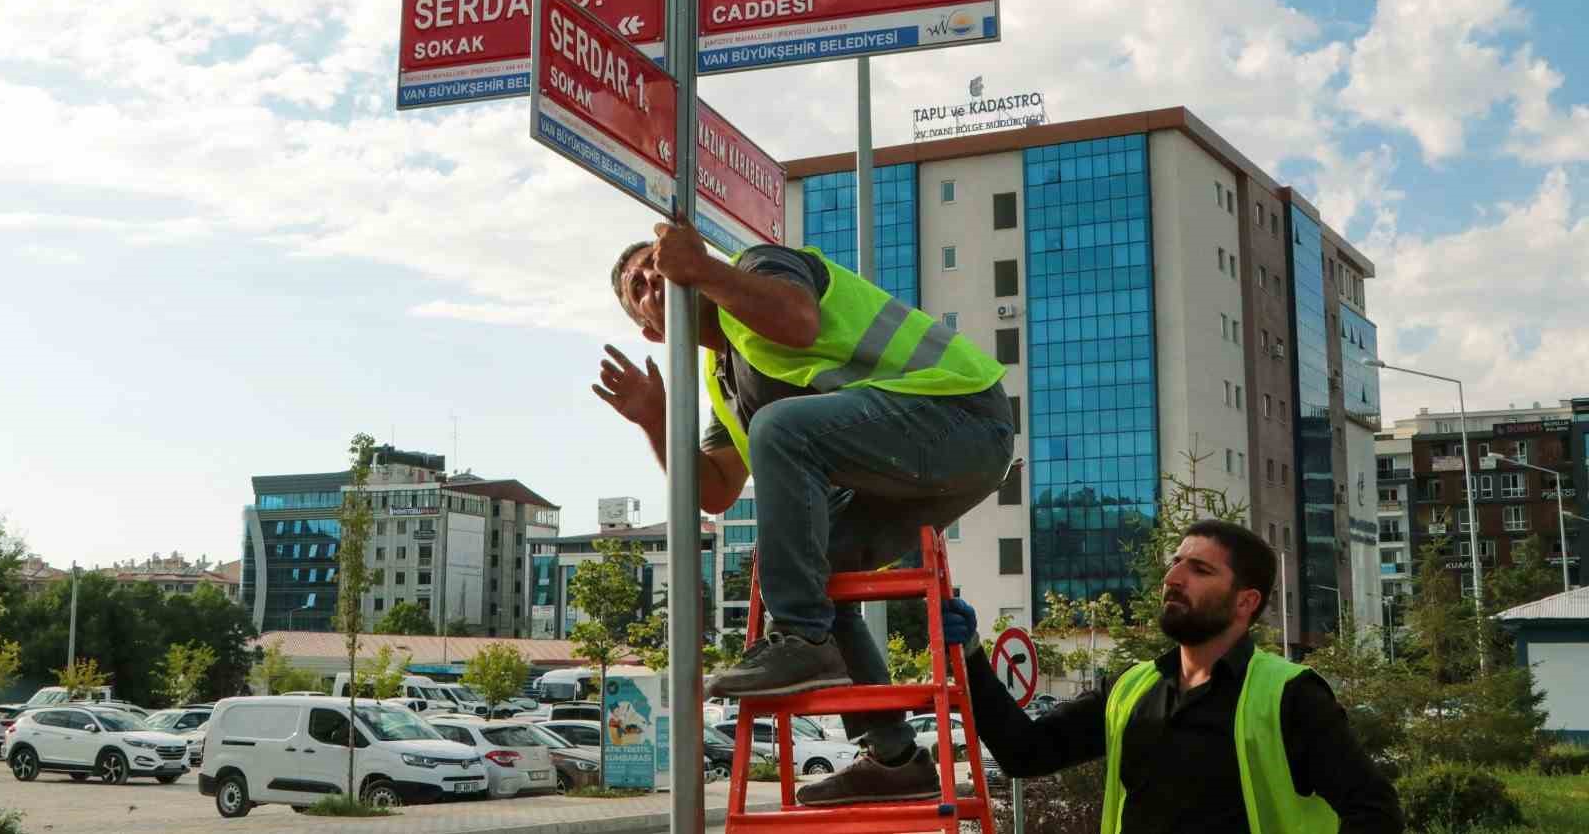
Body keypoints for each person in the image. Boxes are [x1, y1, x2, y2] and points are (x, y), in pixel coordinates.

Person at [596, 217, 1014, 806]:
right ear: (649, 330)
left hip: (961, 418)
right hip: (911, 471)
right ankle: (896, 757)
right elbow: (715, 491)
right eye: (639, 289)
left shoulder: (759, 267)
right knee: (810, 564)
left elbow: (797, 320)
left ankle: (799, 637)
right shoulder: (726, 384)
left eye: (655, 262)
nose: (652, 279)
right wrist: (656, 421)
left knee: (782, 435)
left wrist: (704, 268)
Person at [943, 519, 1404, 833]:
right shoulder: (1131, 688)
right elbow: (1026, 753)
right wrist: (970, 655)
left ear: (1245, 602)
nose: (1173, 577)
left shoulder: (1289, 697)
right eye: (1175, 562)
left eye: (1199, 569)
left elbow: (1375, 813)